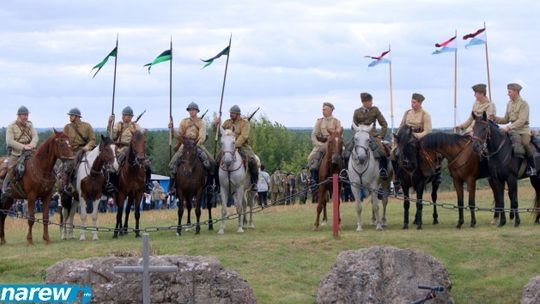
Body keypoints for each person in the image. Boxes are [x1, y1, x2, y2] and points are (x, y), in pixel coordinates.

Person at [168, 102, 214, 193]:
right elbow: (179, 135)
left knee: (211, 162)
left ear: (197, 111)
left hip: (197, 144)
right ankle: (172, 186)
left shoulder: (201, 122)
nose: (192, 111)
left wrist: (196, 144)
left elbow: (202, 135)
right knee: (172, 164)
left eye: (193, 110)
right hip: (185, 145)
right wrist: (172, 129)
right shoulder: (184, 121)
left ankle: (209, 185)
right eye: (190, 110)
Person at [491, 83, 535, 176]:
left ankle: (532, 167)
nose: (508, 94)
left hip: (523, 130)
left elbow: (522, 120)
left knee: (525, 143)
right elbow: (506, 119)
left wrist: (508, 127)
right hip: (512, 131)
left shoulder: (524, 104)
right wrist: (495, 118)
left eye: (509, 92)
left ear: (515, 91)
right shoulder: (509, 103)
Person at [108, 106, 152, 193]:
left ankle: (147, 184)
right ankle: (112, 184)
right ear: (122, 116)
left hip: (135, 149)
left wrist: (143, 131)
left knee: (147, 165)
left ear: (132, 117)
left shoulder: (136, 126)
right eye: (125, 115)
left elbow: (141, 133)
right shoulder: (118, 125)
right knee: (113, 167)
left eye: (129, 116)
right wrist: (110, 123)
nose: (127, 117)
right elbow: (112, 136)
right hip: (121, 149)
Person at [215, 105, 259, 190]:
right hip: (228, 147)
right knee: (216, 161)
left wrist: (234, 145)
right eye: (230, 113)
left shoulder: (245, 123)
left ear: (238, 114)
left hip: (242, 146)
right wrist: (216, 124)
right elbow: (220, 133)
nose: (231, 114)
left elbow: (244, 136)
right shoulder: (227, 122)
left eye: (233, 113)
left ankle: (254, 183)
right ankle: (217, 183)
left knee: (252, 160)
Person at [1, 106, 38, 204]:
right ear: (19, 115)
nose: (26, 117)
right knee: (11, 169)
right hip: (17, 153)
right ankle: (6, 188)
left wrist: (32, 144)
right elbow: (9, 141)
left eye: (27, 115)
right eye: (24, 115)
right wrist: (23, 147)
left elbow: (35, 136)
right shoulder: (11, 126)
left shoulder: (30, 125)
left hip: (31, 152)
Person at [350, 92, 389, 179]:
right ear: (364, 102)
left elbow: (384, 124)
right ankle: (345, 172)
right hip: (359, 135)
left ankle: (383, 170)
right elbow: (353, 126)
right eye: (369, 101)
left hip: (372, 134)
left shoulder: (375, 110)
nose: (371, 103)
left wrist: (381, 136)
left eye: (371, 101)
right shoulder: (356, 112)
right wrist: (356, 136)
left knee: (382, 151)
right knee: (346, 151)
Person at [307, 102, 342, 184]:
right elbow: (314, 135)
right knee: (310, 157)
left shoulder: (336, 121)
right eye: (322, 109)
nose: (323, 111)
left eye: (325, 109)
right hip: (321, 144)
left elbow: (339, 134)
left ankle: (346, 177)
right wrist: (319, 144)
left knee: (345, 156)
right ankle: (313, 179)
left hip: (334, 145)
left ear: (330, 110)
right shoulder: (319, 121)